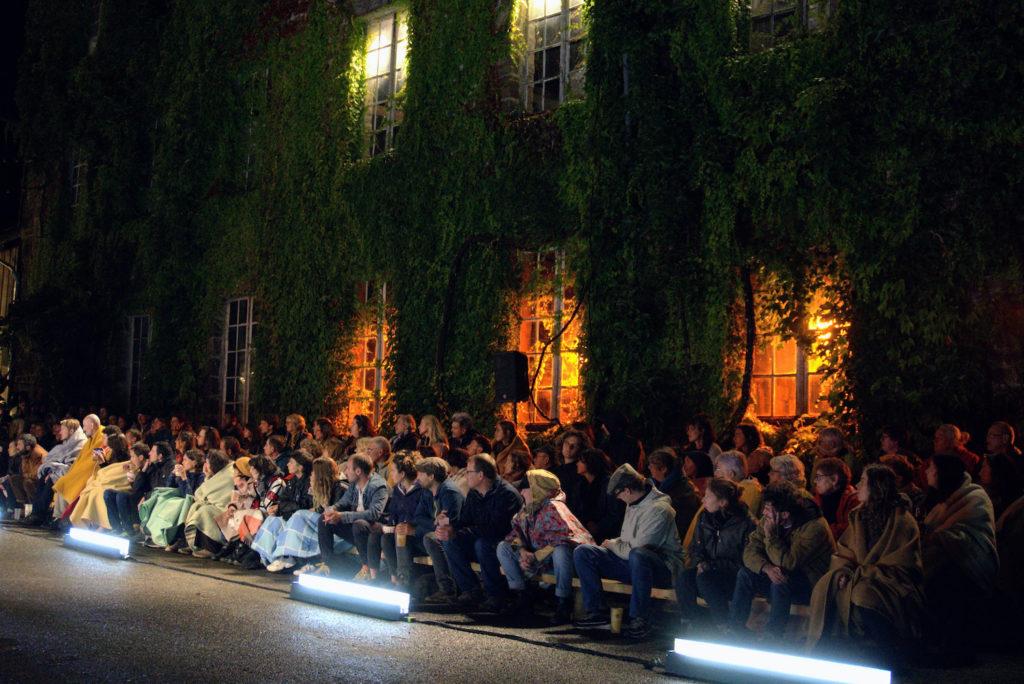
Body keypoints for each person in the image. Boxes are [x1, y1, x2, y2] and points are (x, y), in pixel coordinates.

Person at [807, 465, 925, 665]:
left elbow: (904, 561)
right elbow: (845, 550)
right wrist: (844, 570)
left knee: (863, 593)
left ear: (877, 487)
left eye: (863, 481)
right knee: (828, 583)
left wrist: (866, 573)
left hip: (891, 581)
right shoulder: (858, 516)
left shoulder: (902, 520)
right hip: (860, 576)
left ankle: (888, 650)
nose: (859, 485)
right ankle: (828, 646)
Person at [574, 463, 682, 639]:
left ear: (627, 490)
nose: (619, 499)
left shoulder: (659, 510)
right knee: (584, 552)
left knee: (637, 555)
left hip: (660, 568)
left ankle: (640, 617)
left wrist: (613, 545)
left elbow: (640, 547)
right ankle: (597, 613)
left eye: (618, 495)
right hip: (632, 562)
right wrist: (613, 543)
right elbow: (627, 540)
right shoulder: (633, 503)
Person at [730, 482, 835, 638]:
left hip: (808, 582)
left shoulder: (814, 527)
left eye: (767, 509)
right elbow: (750, 550)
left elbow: (789, 562)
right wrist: (766, 568)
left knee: (780, 582)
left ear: (785, 514)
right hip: (776, 571)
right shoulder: (770, 519)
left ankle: (772, 635)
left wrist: (771, 537)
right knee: (745, 574)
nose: (763, 512)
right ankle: (735, 630)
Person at [919, 454, 997, 665]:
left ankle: (954, 649)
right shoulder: (944, 499)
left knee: (948, 584)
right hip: (947, 560)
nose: (927, 472)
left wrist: (941, 537)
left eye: (931, 468)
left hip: (970, 566)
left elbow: (974, 537)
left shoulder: (974, 498)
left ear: (942, 473)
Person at [497, 469, 593, 623]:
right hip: (538, 561)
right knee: (503, 547)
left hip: (561, 565)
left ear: (538, 489)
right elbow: (515, 534)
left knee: (561, 550)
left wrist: (534, 556)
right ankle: (523, 596)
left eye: (526, 488)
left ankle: (563, 603)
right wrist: (522, 552)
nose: (522, 492)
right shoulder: (528, 509)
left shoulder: (554, 507)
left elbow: (563, 539)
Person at [436, 453, 522, 611]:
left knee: (483, 544)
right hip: (478, 538)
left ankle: (495, 595)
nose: (465, 475)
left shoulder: (506, 494)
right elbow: (465, 521)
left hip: (505, 544)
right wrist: (448, 524)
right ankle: (470, 590)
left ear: (481, 475)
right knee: (450, 541)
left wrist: (458, 533)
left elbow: (496, 529)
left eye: (468, 472)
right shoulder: (474, 493)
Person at [677, 478, 756, 629]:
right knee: (685, 578)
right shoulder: (705, 518)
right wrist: (700, 562)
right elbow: (696, 547)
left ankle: (723, 626)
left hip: (732, 577)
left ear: (722, 502)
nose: (703, 500)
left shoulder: (745, 524)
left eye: (708, 496)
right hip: (707, 570)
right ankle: (691, 623)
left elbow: (745, 560)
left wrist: (711, 565)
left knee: (705, 578)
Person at [268, 457, 349, 576]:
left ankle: (294, 558)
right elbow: (316, 509)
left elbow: (333, 512)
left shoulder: (340, 487)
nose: (311, 475)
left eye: (313, 472)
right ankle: (287, 556)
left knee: (300, 515)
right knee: (286, 518)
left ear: (321, 473)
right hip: (324, 522)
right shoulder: (321, 486)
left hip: (339, 528)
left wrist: (318, 498)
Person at [317, 453, 389, 579]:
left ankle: (366, 568)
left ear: (358, 471)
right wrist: (331, 510)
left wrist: (342, 516)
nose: (345, 471)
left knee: (359, 524)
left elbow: (374, 514)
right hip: (358, 527)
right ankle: (328, 564)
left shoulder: (378, 486)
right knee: (324, 519)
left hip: (376, 530)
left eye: (348, 468)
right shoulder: (354, 485)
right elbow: (343, 502)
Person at [413, 456, 466, 602]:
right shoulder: (427, 491)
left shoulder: (449, 492)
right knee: (403, 537)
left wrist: (437, 524)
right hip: (437, 532)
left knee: (430, 538)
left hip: (457, 537)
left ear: (431, 476)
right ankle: (403, 582)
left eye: (421, 474)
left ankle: (447, 589)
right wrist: (434, 522)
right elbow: (418, 517)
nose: (417, 478)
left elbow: (451, 522)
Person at [251, 450, 314, 572]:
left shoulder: (309, 482)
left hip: (302, 517)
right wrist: (279, 508)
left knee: (283, 522)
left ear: (300, 467)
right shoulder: (292, 481)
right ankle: (272, 556)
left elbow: (305, 504)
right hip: (289, 513)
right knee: (272, 520)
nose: (287, 465)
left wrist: (281, 508)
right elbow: (284, 500)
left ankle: (286, 556)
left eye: (291, 462)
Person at [372, 451, 428, 588]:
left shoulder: (422, 491)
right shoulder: (398, 490)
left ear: (402, 474)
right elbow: (393, 516)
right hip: (400, 534)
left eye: (393, 470)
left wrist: (411, 528)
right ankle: (394, 577)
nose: (390, 474)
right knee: (384, 537)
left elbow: (423, 518)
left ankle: (404, 581)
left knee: (400, 535)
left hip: (418, 537)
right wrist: (389, 526)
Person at [140, 448, 211, 549]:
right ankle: (156, 534)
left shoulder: (200, 477)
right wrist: (173, 475)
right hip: (177, 501)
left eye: (186, 460)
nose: (183, 462)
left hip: (190, 504)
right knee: (161, 498)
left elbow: (190, 496)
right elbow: (169, 488)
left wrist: (183, 478)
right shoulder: (184, 472)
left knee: (177, 505)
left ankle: (173, 538)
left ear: (194, 462)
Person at [106, 441, 175, 537]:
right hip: (144, 496)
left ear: (160, 456)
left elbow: (159, 488)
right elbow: (136, 488)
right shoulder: (153, 465)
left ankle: (129, 530)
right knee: (108, 493)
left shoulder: (165, 467)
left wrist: (143, 472)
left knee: (121, 496)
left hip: (151, 499)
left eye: (153, 451)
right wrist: (140, 473)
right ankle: (117, 528)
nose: (150, 453)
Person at [28, 418, 87, 525]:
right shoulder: (66, 444)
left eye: (63, 429)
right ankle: (36, 513)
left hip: (72, 475)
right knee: (44, 477)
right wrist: (51, 468)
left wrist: (54, 471)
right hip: (59, 472)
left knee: (50, 479)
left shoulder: (81, 444)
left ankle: (40, 515)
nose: (60, 432)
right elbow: (53, 459)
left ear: (71, 431)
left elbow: (73, 466)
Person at [69, 432, 132, 529]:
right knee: (87, 492)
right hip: (106, 481)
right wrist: (102, 461)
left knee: (97, 493)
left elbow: (117, 474)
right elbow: (109, 470)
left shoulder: (126, 457)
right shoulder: (111, 453)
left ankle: (102, 525)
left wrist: (103, 464)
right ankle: (89, 524)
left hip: (116, 484)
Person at [182, 449, 236, 556]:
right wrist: (207, 476)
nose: (205, 465)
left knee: (205, 511)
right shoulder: (217, 474)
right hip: (215, 506)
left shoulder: (227, 475)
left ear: (214, 465)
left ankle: (210, 548)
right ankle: (194, 544)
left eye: (207, 463)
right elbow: (202, 494)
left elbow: (211, 497)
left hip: (225, 509)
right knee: (198, 507)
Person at [52, 414, 106, 520]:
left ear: (91, 424)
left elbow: (94, 459)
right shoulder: (90, 438)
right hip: (80, 471)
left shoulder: (102, 435)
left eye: (85, 426)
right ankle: (58, 517)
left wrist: (74, 474)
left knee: (65, 483)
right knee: (62, 482)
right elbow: (80, 458)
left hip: (90, 472)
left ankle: (62, 518)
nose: (84, 429)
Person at [647, 447, 701, 540]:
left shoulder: (679, 492)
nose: (649, 468)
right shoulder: (666, 484)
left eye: (651, 465)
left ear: (663, 469)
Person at [574, 448, 624, 543]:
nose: (577, 463)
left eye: (581, 461)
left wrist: (598, 527)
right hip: (586, 532)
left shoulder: (609, 484)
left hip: (607, 536)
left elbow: (615, 513)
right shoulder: (581, 485)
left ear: (590, 463)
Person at [811, 457, 859, 541]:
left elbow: (847, 531)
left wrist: (818, 531)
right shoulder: (818, 497)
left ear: (834, 479)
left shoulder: (853, 500)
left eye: (819, 477)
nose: (815, 481)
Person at [714, 449, 763, 514]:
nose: (715, 473)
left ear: (731, 474)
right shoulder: (728, 489)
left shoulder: (749, 491)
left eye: (718, 469)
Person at [880, 454, 926, 520]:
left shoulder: (917, 498)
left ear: (899, 478)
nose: (882, 480)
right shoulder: (889, 493)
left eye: (885, 476)